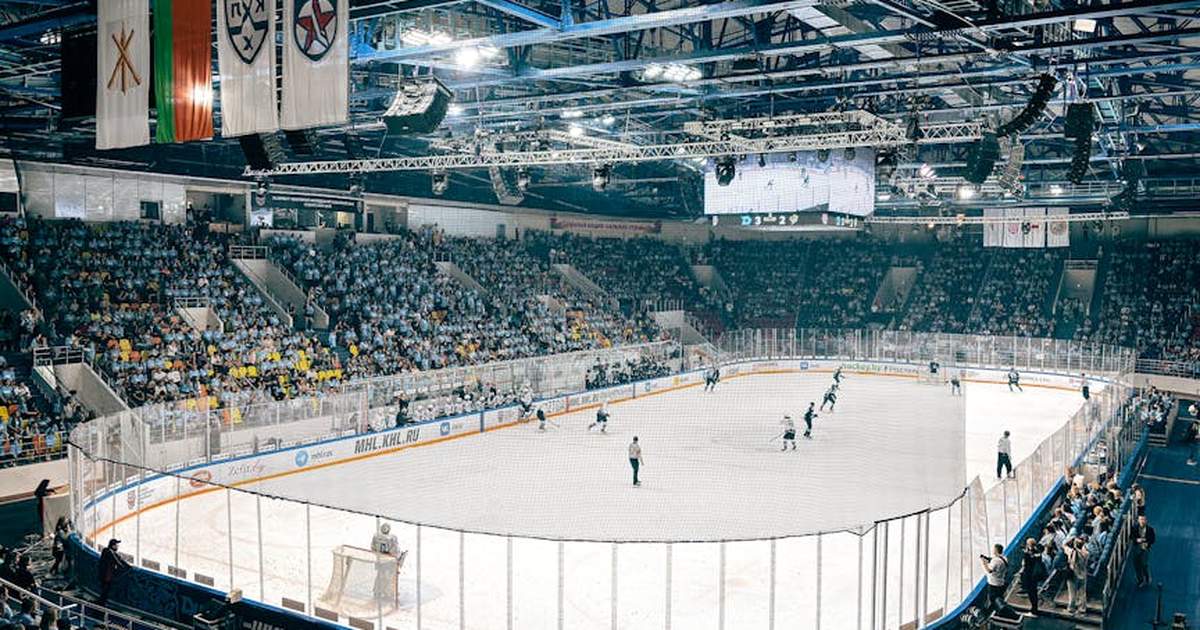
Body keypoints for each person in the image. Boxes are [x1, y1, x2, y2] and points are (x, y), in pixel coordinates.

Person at [97, 538, 130, 606]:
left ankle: (101, 603)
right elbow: (117, 561)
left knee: (105, 591)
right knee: (105, 591)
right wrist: (125, 567)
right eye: (116, 545)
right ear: (113, 546)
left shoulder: (108, 551)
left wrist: (127, 565)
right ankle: (101, 604)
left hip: (104, 575)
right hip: (106, 576)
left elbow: (119, 558)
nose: (117, 547)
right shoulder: (109, 552)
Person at [1064, 536, 1089, 615]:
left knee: (1072, 593)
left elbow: (1064, 545)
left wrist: (1071, 539)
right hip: (1083, 574)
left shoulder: (1071, 552)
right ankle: (1082, 609)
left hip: (1073, 574)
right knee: (1082, 593)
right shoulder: (1086, 553)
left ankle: (1071, 608)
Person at [980, 544, 1009, 612]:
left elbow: (989, 570)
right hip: (1001, 582)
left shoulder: (995, 561)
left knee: (993, 599)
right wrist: (988, 559)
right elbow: (995, 561)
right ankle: (1001, 609)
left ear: (995, 550)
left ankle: (999, 610)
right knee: (999, 597)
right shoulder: (1004, 558)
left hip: (993, 584)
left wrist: (984, 563)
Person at [1019, 538, 1044, 616]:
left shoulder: (1028, 554)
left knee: (1031, 593)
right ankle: (1034, 609)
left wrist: (1026, 553)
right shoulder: (1038, 553)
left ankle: (1034, 610)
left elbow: (1025, 564)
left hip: (1030, 576)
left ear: (1029, 545)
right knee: (1034, 592)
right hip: (1035, 576)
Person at [1132, 514, 1155, 587]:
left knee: (1144, 564)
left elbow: (1153, 539)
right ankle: (1140, 580)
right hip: (1136, 548)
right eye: (1141, 519)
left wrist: (1147, 542)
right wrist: (1136, 540)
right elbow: (1131, 537)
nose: (1142, 521)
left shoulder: (1150, 529)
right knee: (1136, 565)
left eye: (1143, 519)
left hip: (1145, 549)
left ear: (1146, 520)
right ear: (1138, 520)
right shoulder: (1135, 528)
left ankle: (1147, 577)